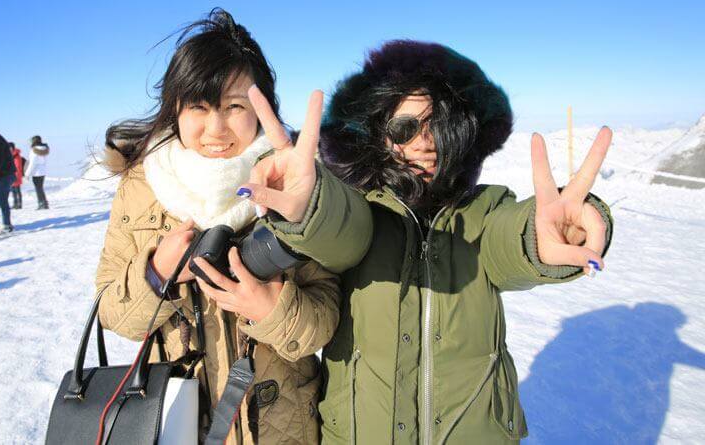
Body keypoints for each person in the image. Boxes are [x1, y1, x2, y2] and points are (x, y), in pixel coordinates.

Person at [238, 40, 615, 444]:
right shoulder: (364, 212)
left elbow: (508, 240)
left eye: (441, 124)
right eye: (405, 127)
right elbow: (340, 227)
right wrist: (311, 202)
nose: (425, 142)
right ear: (379, 133)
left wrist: (542, 237)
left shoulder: (484, 211)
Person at [95, 8, 339, 444]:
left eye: (234, 107)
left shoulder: (292, 183)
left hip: (283, 430)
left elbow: (326, 323)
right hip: (174, 424)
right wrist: (155, 275)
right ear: (176, 108)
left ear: (261, 108)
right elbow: (113, 313)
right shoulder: (143, 185)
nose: (215, 129)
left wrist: (271, 309)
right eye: (199, 107)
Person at [24, 135, 49, 209]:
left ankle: (41, 203)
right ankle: (44, 203)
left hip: (36, 172)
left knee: (38, 189)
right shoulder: (44, 149)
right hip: (43, 172)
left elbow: (32, 163)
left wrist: (27, 174)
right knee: (40, 188)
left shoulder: (34, 150)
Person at [9, 142, 25, 209]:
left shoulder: (16, 156)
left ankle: (19, 204)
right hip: (11, 175)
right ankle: (15, 203)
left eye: (10, 148)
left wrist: (15, 175)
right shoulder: (11, 155)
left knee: (17, 190)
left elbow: (18, 167)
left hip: (16, 175)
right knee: (13, 190)